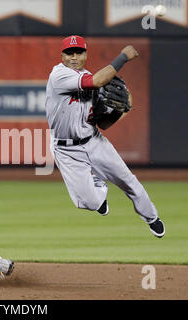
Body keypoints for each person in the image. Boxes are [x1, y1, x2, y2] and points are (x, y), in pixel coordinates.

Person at [45, 35, 165, 238]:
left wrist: (117, 112)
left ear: (86, 54)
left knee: (129, 181)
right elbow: (98, 80)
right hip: (66, 150)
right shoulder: (59, 76)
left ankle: (152, 217)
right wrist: (123, 57)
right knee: (91, 203)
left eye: (79, 52)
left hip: (94, 141)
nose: (74, 57)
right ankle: (100, 184)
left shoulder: (90, 78)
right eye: (69, 53)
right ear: (62, 56)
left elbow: (103, 124)